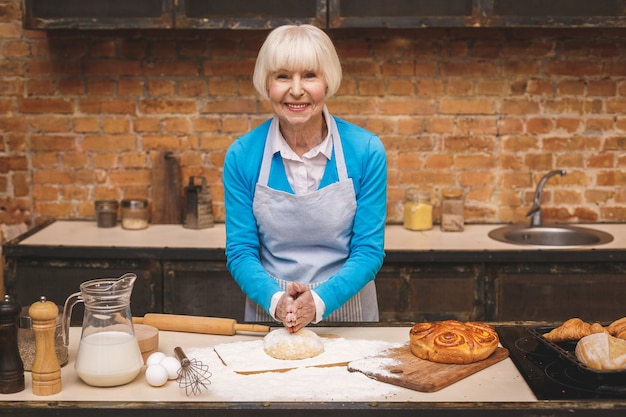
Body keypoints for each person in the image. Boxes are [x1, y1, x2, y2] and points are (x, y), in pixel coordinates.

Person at [223, 24, 387, 333]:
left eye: (310, 75)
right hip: (271, 314)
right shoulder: (242, 156)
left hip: (349, 317)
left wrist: (319, 301)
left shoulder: (366, 150)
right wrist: (277, 301)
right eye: (283, 76)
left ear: (327, 81)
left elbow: (368, 250)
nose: (296, 90)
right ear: (266, 83)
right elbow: (241, 251)